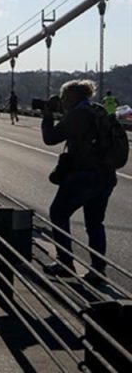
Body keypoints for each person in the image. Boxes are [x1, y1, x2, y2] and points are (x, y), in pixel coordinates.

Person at [40, 80, 118, 287]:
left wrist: (47, 116)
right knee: (94, 223)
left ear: (72, 96)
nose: (63, 102)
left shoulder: (79, 113)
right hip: (106, 176)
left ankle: (65, 263)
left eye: (64, 98)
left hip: (84, 175)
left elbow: (50, 138)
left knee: (58, 213)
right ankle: (98, 270)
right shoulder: (98, 110)